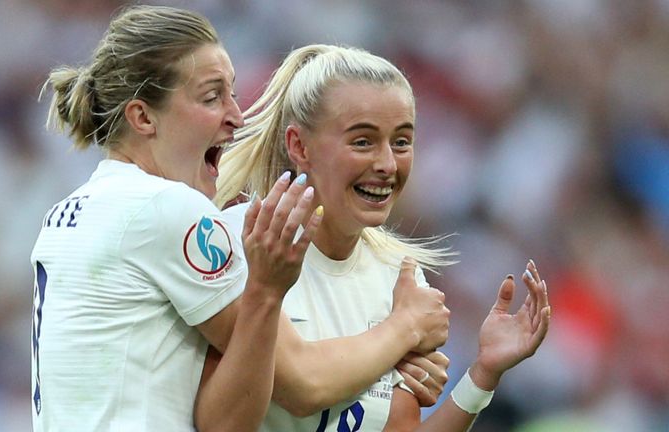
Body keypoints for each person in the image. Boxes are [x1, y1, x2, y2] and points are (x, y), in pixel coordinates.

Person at [31, 6, 452, 432]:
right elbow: (301, 383)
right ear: (142, 117)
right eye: (212, 97)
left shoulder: (64, 214)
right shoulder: (171, 210)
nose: (236, 115)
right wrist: (405, 328)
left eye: (231, 93)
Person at [213, 44, 551, 431]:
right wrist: (403, 329)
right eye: (363, 142)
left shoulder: (399, 278)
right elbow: (302, 388)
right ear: (299, 146)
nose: (388, 164)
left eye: (402, 142)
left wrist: (481, 376)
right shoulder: (239, 242)